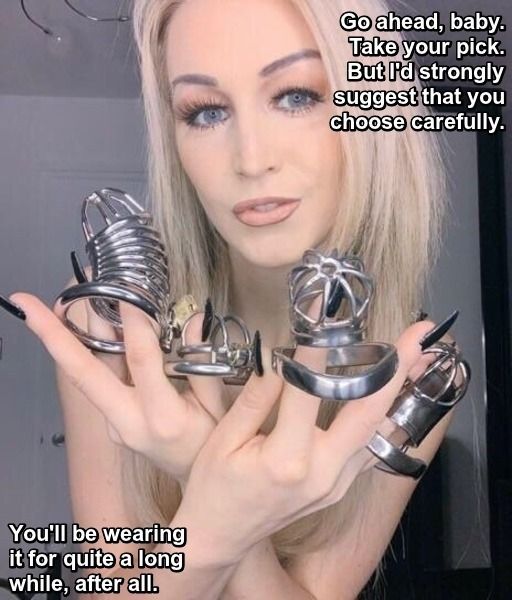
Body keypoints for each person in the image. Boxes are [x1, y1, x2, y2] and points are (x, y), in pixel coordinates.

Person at [5, 0, 459, 597]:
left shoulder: (420, 371)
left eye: (296, 96)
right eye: (207, 111)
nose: (250, 159)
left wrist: (210, 489)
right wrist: (218, 526)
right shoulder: (113, 315)